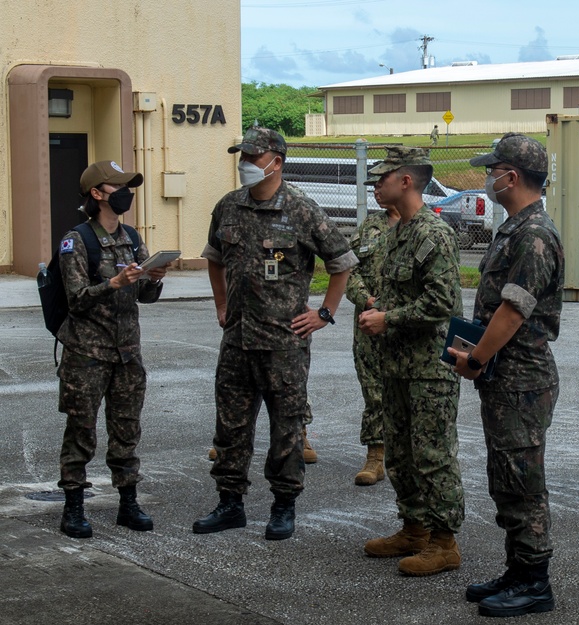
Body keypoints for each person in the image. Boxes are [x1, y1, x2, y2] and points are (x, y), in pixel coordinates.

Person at [193, 126, 357, 541]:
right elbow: (213, 257)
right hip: (236, 341)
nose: (245, 164)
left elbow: (341, 262)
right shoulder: (228, 206)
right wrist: (221, 303)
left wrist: (324, 312)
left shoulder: (302, 209)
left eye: (252, 157)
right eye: (242, 157)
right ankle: (230, 503)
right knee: (230, 427)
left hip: (283, 344)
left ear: (276, 162)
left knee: (287, 428)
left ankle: (284, 506)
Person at [450, 133, 564, 617]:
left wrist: (475, 360)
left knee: (522, 481)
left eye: (492, 170)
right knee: (506, 477)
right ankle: (518, 570)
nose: (488, 178)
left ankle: (534, 582)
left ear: (511, 177)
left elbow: (513, 313)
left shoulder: (533, 234)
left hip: (520, 379)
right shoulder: (515, 228)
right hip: (506, 377)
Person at [357, 146, 465, 577]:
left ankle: (444, 542)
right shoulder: (397, 233)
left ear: (406, 180)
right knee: (400, 453)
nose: (376, 184)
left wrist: (388, 318)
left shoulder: (431, 234)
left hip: (428, 369)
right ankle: (414, 528)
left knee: (433, 454)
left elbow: (442, 303)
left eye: (383, 177)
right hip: (397, 365)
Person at [56, 160, 169, 538]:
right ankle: (73, 506)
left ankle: (128, 502)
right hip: (87, 354)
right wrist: (115, 283)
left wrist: (154, 279)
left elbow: (146, 298)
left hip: (127, 353)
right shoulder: (77, 241)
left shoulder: (133, 238)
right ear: (97, 193)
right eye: (118, 187)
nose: (126, 194)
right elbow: (76, 300)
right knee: (81, 431)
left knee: (126, 431)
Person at [345, 177, 401, 485]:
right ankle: (376, 456)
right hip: (369, 323)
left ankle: (410, 457)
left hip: (406, 326)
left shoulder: (424, 226)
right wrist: (366, 299)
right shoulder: (368, 227)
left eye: (381, 185)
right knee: (374, 391)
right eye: (372, 187)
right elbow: (348, 270)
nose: (376, 192)